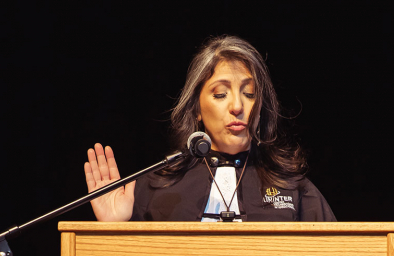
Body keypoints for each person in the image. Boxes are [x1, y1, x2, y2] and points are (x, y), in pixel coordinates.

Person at [84, 35, 335, 222]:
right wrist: (115, 227)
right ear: (196, 108)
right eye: (220, 94)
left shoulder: (293, 187)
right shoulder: (156, 187)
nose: (238, 106)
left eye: (249, 93)